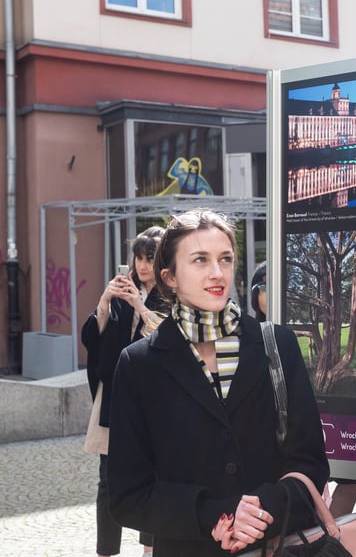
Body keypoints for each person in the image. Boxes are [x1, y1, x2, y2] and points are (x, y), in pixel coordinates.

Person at [106, 209, 329, 557]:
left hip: (278, 547)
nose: (217, 272)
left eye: (225, 259)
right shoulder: (139, 364)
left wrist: (260, 513)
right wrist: (216, 516)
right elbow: (127, 495)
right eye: (200, 260)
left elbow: (311, 464)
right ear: (170, 276)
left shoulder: (277, 345)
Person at [82, 225, 167, 557]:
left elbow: (170, 339)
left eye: (149, 257)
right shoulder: (121, 291)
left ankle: (150, 549)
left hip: (153, 401)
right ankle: (106, 550)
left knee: (155, 473)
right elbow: (92, 338)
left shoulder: (170, 293)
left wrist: (140, 306)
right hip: (114, 395)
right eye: (138, 257)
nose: (143, 265)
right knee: (108, 476)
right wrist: (105, 300)